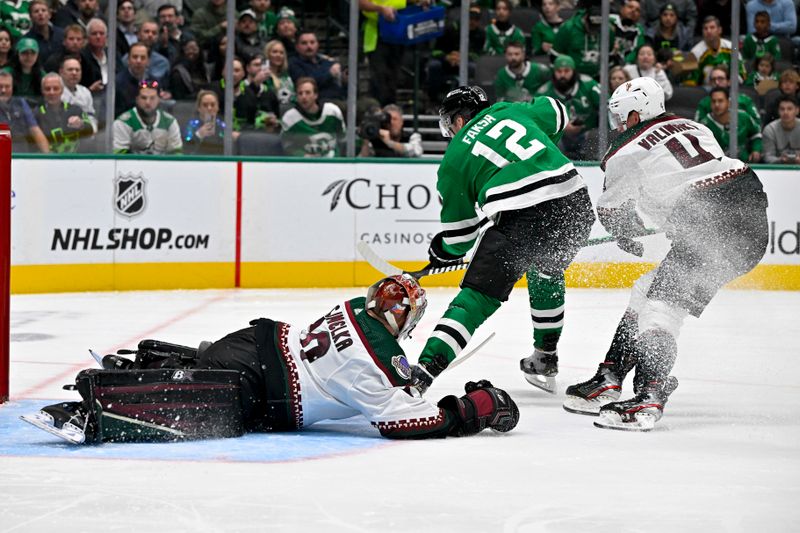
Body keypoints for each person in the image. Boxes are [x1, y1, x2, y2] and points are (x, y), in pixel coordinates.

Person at [21, 275, 519, 444]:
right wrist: (472, 408)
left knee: (208, 369)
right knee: (214, 409)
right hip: (262, 386)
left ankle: (141, 364)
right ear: (406, 318)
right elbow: (406, 422)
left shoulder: (350, 308)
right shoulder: (379, 364)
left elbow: (374, 366)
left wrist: (403, 379)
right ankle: (103, 404)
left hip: (252, 342)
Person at [564, 77, 769, 431]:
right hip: (750, 211)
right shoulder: (694, 125)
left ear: (636, 113)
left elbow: (611, 210)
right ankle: (611, 376)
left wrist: (624, 232)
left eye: (621, 116)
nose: (618, 125)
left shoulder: (624, 151)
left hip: (713, 222)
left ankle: (650, 394)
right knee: (647, 290)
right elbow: (692, 175)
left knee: (662, 308)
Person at [409, 86, 595, 396]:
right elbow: (557, 110)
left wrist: (440, 252)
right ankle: (545, 357)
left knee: (477, 298)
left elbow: (460, 237)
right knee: (546, 272)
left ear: (457, 120)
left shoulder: (454, 159)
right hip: (575, 204)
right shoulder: (512, 110)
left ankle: (425, 372)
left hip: (523, 217)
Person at [535, 54, 601, 161]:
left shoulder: (589, 85)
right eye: (559, 71)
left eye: (566, 71)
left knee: (596, 135)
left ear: (574, 71)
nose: (562, 75)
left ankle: (595, 165)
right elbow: (536, 121)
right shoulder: (543, 93)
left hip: (587, 134)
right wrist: (563, 128)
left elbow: (607, 106)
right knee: (547, 140)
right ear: (553, 72)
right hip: (559, 138)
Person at [280, 76, 345, 158]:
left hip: (333, 164)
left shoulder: (332, 112)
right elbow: (287, 146)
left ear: (316, 95)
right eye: (300, 93)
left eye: (307, 93)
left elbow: (342, 138)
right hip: (304, 166)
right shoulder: (290, 118)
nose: (304, 97)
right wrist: (303, 156)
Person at [113, 80, 182, 154]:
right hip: (132, 165)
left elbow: (176, 154)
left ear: (159, 100)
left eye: (152, 98)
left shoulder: (170, 122)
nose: (148, 102)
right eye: (143, 98)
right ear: (137, 99)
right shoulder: (123, 123)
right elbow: (119, 158)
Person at [553, 0, 616, 79]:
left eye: (597, 28)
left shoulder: (608, 30)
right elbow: (555, 55)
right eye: (592, 27)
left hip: (598, 77)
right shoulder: (568, 28)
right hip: (573, 78)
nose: (593, 31)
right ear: (585, 18)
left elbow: (609, 54)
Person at [33, 73, 93, 153]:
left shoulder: (75, 110)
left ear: (62, 90)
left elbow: (90, 131)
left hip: (74, 160)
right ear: (42, 91)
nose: (52, 92)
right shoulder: (36, 114)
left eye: (56, 88)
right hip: (46, 160)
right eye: (47, 89)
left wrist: (81, 124)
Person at [700, 87, 762, 163]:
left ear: (728, 103)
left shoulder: (744, 117)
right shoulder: (704, 125)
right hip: (719, 167)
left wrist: (756, 150)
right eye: (713, 101)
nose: (717, 105)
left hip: (746, 164)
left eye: (720, 101)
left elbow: (756, 134)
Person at [288, 30, 345, 104]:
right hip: (318, 102)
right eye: (304, 43)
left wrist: (344, 78)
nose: (309, 46)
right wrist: (329, 74)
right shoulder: (294, 63)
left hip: (338, 98)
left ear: (317, 44)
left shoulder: (325, 61)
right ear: (297, 47)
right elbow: (306, 83)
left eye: (312, 42)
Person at [686, 16, 744, 87]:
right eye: (705, 28)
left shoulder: (733, 47)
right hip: (705, 91)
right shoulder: (695, 53)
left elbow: (742, 74)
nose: (708, 31)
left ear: (719, 30)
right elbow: (690, 83)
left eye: (712, 27)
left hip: (729, 88)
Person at [0, 70, 49, 153]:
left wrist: (48, 157)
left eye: (7, 86)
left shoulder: (21, 103)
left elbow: (35, 131)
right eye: (0, 86)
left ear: (12, 87)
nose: (3, 90)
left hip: (22, 157)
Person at [694, 66, 760, 124]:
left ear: (729, 81)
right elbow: (698, 127)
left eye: (720, 79)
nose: (717, 83)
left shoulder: (745, 100)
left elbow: (757, 124)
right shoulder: (704, 103)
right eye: (713, 80)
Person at [358, 103, 423, 158]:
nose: (391, 123)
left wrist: (389, 142)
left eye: (395, 119)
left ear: (402, 122)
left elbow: (416, 152)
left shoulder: (413, 136)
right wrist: (366, 137)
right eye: (388, 120)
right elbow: (362, 160)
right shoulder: (375, 140)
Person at [60, 56, 97, 133]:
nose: (74, 73)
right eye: (70, 70)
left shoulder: (85, 92)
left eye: (77, 70)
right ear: (61, 72)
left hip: (84, 133)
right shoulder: (55, 91)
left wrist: (91, 129)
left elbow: (91, 117)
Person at [183, 89, 227, 155]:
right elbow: (185, 150)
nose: (209, 108)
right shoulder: (191, 125)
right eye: (205, 105)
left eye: (213, 105)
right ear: (199, 108)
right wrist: (198, 135)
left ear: (218, 107)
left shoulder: (223, 126)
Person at [761, 95, 800, 164]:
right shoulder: (770, 130)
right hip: (777, 171)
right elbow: (767, 157)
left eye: (789, 109)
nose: (785, 112)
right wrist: (780, 160)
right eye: (782, 109)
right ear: (778, 111)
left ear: (797, 111)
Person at [263, 39, 294, 115]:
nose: (278, 55)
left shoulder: (287, 75)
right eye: (275, 52)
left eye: (281, 53)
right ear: (267, 54)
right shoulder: (263, 76)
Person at [610, 0, 646, 64]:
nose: (633, 11)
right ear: (622, 9)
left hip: (624, 66)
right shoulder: (610, 20)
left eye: (637, 10)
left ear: (639, 16)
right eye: (630, 7)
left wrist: (624, 62)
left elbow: (636, 51)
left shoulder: (638, 30)